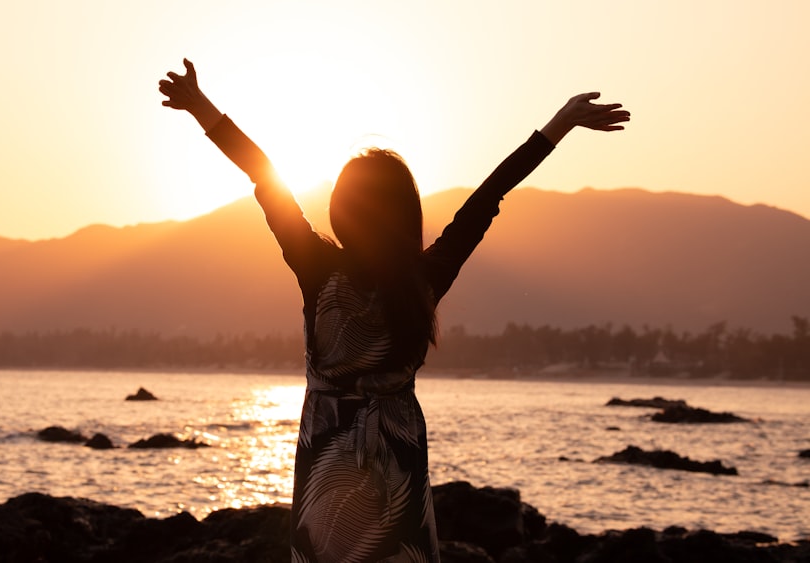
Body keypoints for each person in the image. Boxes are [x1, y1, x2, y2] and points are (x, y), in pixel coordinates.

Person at [159, 58, 629, 562]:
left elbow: (263, 174)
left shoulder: (316, 265)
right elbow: (489, 196)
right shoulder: (424, 279)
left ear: (342, 208)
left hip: (327, 467)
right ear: (407, 211)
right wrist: (561, 123)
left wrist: (199, 107)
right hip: (396, 468)